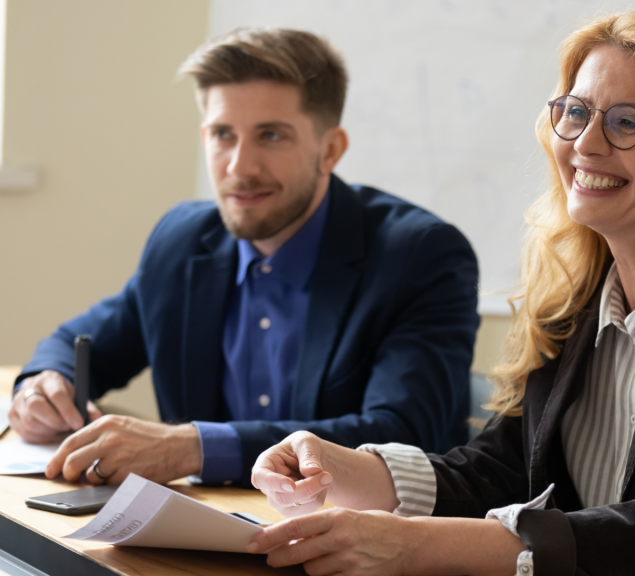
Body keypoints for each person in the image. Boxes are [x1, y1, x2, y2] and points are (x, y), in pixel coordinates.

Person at [246, 11, 635, 576]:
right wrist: (337, 466)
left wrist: (411, 546)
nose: (584, 144)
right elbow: (499, 469)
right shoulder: (575, 295)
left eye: (627, 122)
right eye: (574, 112)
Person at [6, 28, 480, 488]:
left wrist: (192, 447)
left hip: (358, 544)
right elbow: (80, 342)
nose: (239, 167)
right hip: (201, 534)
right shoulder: (184, 239)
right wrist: (43, 387)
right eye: (222, 134)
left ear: (329, 149)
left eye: (271, 135)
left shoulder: (421, 255)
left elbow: (401, 436)